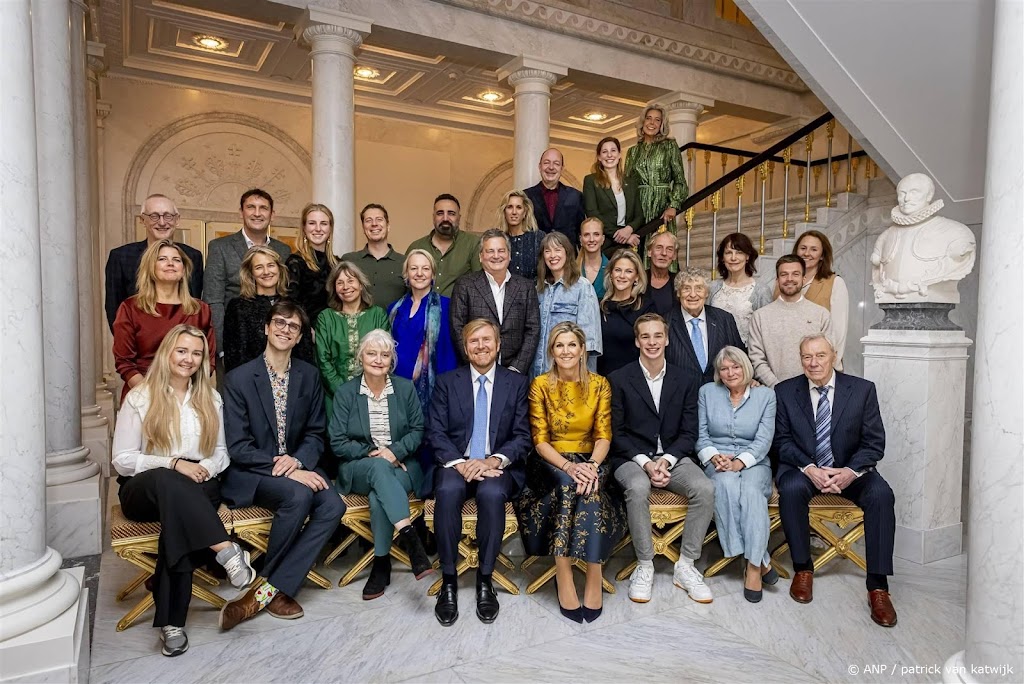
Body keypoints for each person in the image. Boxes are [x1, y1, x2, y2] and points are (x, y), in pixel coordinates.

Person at [111, 324, 256, 657]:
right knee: (169, 481)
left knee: (176, 522)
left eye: (196, 353)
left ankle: (171, 623)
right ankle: (225, 549)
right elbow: (122, 460)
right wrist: (174, 464)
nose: (188, 359)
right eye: (182, 350)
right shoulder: (140, 397)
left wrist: (205, 469)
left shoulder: (211, 398)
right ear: (167, 353)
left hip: (199, 483)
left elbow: (221, 452)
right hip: (145, 486)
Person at [219, 301, 345, 630]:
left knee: (333, 505)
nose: (285, 329)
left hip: (299, 462)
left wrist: (298, 460)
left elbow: (316, 433)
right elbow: (239, 447)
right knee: (297, 496)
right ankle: (277, 591)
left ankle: (266, 590)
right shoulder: (238, 378)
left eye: (293, 326)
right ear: (266, 328)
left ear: (300, 336)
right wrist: (291, 469)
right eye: (279, 322)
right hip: (254, 472)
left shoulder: (309, 376)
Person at [774, 334, 897, 627]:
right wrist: (809, 468)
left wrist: (849, 472)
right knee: (791, 488)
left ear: (834, 356)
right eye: (806, 357)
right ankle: (803, 569)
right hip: (806, 468)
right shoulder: (784, 391)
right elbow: (780, 441)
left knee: (882, 495)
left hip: (850, 470)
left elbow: (874, 443)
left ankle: (878, 587)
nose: (813, 363)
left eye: (820, 355)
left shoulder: (862, 390)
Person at [518, 323, 626, 623]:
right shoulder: (540, 384)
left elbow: (604, 435)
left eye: (571, 345)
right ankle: (563, 571)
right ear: (552, 351)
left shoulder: (600, 384)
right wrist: (568, 466)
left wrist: (591, 466)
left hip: (592, 458)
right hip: (550, 461)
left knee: (591, 490)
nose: (566, 351)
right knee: (568, 484)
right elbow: (540, 440)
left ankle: (594, 572)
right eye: (559, 345)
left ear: (582, 350)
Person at [427, 319, 531, 626]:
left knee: (491, 493)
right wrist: (460, 464)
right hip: (456, 463)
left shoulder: (516, 383)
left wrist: (493, 461)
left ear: (498, 345)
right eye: (474, 341)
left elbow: (523, 436)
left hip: (497, 466)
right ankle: (448, 581)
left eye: (487, 340)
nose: (481, 346)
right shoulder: (447, 382)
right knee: (447, 491)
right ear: (465, 347)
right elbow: (435, 431)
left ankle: (485, 579)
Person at [608, 314, 715, 605]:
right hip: (631, 458)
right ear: (636, 341)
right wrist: (646, 463)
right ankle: (645, 565)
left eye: (658, 336)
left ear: (667, 339)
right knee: (638, 487)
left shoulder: (687, 379)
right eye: (645, 336)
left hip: (674, 457)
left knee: (705, 488)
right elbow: (616, 433)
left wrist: (666, 461)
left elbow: (689, 431)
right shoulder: (618, 379)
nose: (652, 342)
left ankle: (687, 565)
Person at [329, 330, 434, 600]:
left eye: (385, 355)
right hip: (359, 468)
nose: (378, 360)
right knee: (378, 468)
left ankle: (381, 563)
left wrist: (395, 452)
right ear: (360, 356)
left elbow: (418, 430)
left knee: (379, 497)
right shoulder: (346, 393)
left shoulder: (405, 389)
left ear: (391, 360)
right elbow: (338, 442)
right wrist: (372, 452)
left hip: (401, 467)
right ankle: (411, 538)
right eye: (372, 353)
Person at [696, 346, 777, 603]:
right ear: (718, 373)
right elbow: (701, 436)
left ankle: (752, 568)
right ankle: (760, 559)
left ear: (746, 368)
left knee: (752, 493)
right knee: (726, 487)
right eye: (724, 368)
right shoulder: (707, 392)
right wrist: (714, 457)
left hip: (755, 462)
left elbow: (764, 440)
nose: (730, 373)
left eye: (736, 367)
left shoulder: (766, 396)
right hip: (718, 462)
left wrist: (740, 462)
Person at [387, 249, 459, 493]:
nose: (419, 273)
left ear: (433, 274)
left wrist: (444, 392)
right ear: (406, 274)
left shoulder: (446, 307)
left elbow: (449, 351)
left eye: (425, 268)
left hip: (433, 391)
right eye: (414, 268)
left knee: (429, 444)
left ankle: (426, 499)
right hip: (398, 391)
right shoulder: (394, 309)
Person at [113, 239, 216, 402]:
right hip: (143, 394)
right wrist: (151, 396)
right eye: (162, 259)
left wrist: (183, 395)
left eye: (176, 260)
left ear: (184, 269)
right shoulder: (130, 308)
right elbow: (124, 362)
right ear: (150, 267)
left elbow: (208, 361)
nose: (170, 263)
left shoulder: (200, 310)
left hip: (188, 397)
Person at [204, 188, 291, 355]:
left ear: (272, 214)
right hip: (236, 339)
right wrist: (221, 348)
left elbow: (285, 295)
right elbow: (213, 301)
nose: (257, 213)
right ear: (241, 212)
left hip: (277, 341)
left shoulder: (283, 250)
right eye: (251, 207)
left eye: (263, 208)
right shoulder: (220, 247)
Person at [105, 194, 204, 331]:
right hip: (138, 339)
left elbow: (194, 301)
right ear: (142, 220)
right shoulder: (121, 256)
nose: (162, 222)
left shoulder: (192, 256)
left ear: (177, 220)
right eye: (154, 216)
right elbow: (113, 307)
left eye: (168, 216)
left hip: (181, 337)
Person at [449, 229, 540, 375]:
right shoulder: (465, 285)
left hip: (515, 373)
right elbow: (457, 328)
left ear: (509, 255)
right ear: (481, 256)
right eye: (490, 251)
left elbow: (533, 330)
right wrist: (477, 365)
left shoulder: (525, 287)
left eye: (501, 251)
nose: (496, 256)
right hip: (475, 371)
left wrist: (517, 368)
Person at [314, 261, 390, 417]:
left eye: (350, 281)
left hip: (373, 394)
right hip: (335, 395)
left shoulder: (378, 315)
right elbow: (323, 360)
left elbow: (384, 355)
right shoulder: (325, 318)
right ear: (334, 288)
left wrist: (367, 390)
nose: (345, 287)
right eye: (340, 283)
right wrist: (342, 392)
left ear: (361, 285)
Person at [223, 246, 314, 372]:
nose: (266, 272)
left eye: (271, 265)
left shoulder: (296, 306)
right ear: (251, 273)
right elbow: (234, 358)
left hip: (291, 378)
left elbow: (305, 354)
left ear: (279, 268)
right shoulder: (238, 307)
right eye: (259, 267)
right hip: (250, 379)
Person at [749, 256, 833, 387]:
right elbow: (757, 360)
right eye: (784, 274)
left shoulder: (821, 314)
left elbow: (827, 356)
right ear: (777, 280)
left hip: (813, 391)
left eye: (795, 274)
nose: (789, 279)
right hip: (775, 392)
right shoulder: (760, 316)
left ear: (803, 278)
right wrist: (779, 388)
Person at [532, 231, 602, 377]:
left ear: (567, 253)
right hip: (539, 374)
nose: (552, 255)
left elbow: (589, 340)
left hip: (570, 376)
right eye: (547, 251)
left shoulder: (582, 287)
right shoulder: (538, 289)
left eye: (557, 250)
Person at [624, 104, 688, 259]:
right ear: (643, 122)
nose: (652, 123)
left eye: (657, 120)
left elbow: (680, 180)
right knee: (638, 251)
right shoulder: (633, 151)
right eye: (649, 118)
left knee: (661, 247)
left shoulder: (669, 146)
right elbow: (627, 184)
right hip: (638, 206)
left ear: (662, 125)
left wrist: (673, 205)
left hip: (662, 205)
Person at [665, 267, 745, 386]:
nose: (693, 294)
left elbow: (740, 357)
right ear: (678, 293)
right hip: (680, 393)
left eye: (699, 288)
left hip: (720, 391)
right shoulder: (665, 322)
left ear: (706, 293)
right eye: (686, 289)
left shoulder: (724, 319)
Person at [783, 230, 849, 364]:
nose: (807, 253)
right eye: (803, 248)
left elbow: (838, 331)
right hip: (785, 362)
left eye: (814, 249)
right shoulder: (782, 283)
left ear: (822, 255)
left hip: (820, 364)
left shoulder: (835, 283)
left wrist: (833, 364)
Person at [407, 194, 481, 297]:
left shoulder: (473, 244)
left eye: (451, 213)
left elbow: (481, 285)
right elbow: (406, 285)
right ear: (433, 217)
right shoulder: (416, 247)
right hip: (423, 307)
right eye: (440, 213)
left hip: (459, 307)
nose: (445, 218)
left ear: (459, 218)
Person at [582, 137, 644, 257]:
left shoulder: (631, 183)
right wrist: (620, 235)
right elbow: (592, 213)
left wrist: (629, 229)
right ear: (599, 157)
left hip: (630, 242)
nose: (609, 155)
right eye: (604, 152)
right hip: (605, 243)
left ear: (619, 154)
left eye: (613, 150)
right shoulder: (591, 181)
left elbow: (639, 215)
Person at [597, 249, 654, 375]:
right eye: (618, 270)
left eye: (629, 271)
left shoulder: (646, 307)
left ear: (637, 277)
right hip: (603, 379)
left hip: (635, 379)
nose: (622, 276)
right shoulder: (599, 306)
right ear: (610, 274)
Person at [709, 233, 772, 346]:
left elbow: (767, 330)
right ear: (722, 258)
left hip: (747, 353)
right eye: (728, 253)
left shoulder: (761, 290)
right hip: (716, 351)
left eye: (739, 252)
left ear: (747, 256)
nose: (733, 258)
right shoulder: (712, 287)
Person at [341, 203, 407, 311]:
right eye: (368, 220)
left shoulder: (405, 262)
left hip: (394, 322)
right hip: (356, 322)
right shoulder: (349, 260)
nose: (374, 224)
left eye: (379, 219)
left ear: (388, 226)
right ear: (363, 228)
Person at [286, 203, 339, 326]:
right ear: (304, 228)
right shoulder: (295, 262)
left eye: (323, 223)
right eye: (312, 223)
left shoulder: (338, 264)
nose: (318, 228)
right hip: (305, 330)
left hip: (333, 331)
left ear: (330, 228)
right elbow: (290, 304)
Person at [523, 148, 586, 244]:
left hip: (567, 252)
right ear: (539, 166)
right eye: (546, 163)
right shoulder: (525, 196)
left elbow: (580, 232)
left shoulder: (576, 196)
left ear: (562, 169)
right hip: (536, 252)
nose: (551, 167)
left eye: (556, 164)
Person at [496, 189, 545, 281]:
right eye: (509, 207)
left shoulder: (539, 238)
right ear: (504, 211)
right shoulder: (497, 239)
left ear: (525, 212)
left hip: (534, 289)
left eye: (519, 207)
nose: (514, 212)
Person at [645, 231, 680, 317]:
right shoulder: (637, 279)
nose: (664, 253)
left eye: (669, 249)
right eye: (659, 248)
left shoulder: (680, 282)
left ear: (674, 255)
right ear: (649, 252)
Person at [578, 217, 609, 300]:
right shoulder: (572, 270)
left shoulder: (611, 269)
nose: (591, 239)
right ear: (580, 239)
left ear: (603, 239)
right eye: (586, 235)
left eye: (596, 234)